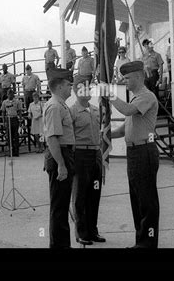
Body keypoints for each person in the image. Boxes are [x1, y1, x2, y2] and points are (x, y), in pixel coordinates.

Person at [110, 61, 159, 248]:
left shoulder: (146, 97)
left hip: (144, 151)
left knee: (146, 200)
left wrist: (110, 95)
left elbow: (127, 111)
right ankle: (141, 241)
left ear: (139, 77)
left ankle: (147, 243)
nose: (125, 81)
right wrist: (107, 134)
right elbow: (125, 128)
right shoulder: (135, 98)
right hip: (134, 152)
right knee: (137, 198)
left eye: (128, 78)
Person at [70, 75, 105, 246]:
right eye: (86, 87)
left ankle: (93, 230)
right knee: (80, 196)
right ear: (77, 90)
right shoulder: (72, 112)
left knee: (94, 195)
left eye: (90, 87)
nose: (90, 90)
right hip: (80, 156)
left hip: (95, 156)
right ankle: (81, 232)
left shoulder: (96, 109)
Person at [43, 68, 74, 248]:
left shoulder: (60, 105)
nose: (71, 88)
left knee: (62, 206)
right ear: (61, 86)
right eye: (69, 85)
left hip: (64, 154)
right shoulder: (55, 106)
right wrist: (61, 165)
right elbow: (52, 138)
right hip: (59, 156)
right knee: (59, 208)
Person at [1, 89, 21, 156]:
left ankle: (16, 151)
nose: (10, 95)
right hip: (8, 118)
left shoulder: (17, 101)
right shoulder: (4, 102)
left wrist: (20, 120)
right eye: (9, 94)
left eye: (11, 94)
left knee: (16, 135)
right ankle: (11, 151)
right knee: (9, 136)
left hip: (14, 118)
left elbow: (19, 111)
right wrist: (4, 121)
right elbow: (3, 112)